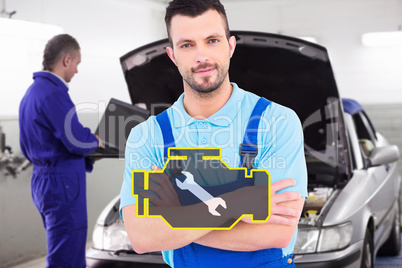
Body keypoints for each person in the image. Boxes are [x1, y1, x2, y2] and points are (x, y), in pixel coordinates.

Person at [120, 0, 307, 267]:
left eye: (212, 40)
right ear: (172, 55)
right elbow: (142, 237)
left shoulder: (277, 121)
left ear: (230, 46)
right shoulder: (146, 136)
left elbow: (277, 232)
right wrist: (234, 204)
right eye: (187, 45)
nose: (202, 57)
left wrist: (176, 219)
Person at [19, 34, 101, 268]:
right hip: (62, 183)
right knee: (66, 254)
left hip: (45, 180)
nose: (76, 70)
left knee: (62, 246)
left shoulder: (33, 92)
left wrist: (91, 152)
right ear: (66, 60)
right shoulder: (54, 94)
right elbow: (75, 138)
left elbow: (48, 142)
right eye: (77, 64)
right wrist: (97, 142)